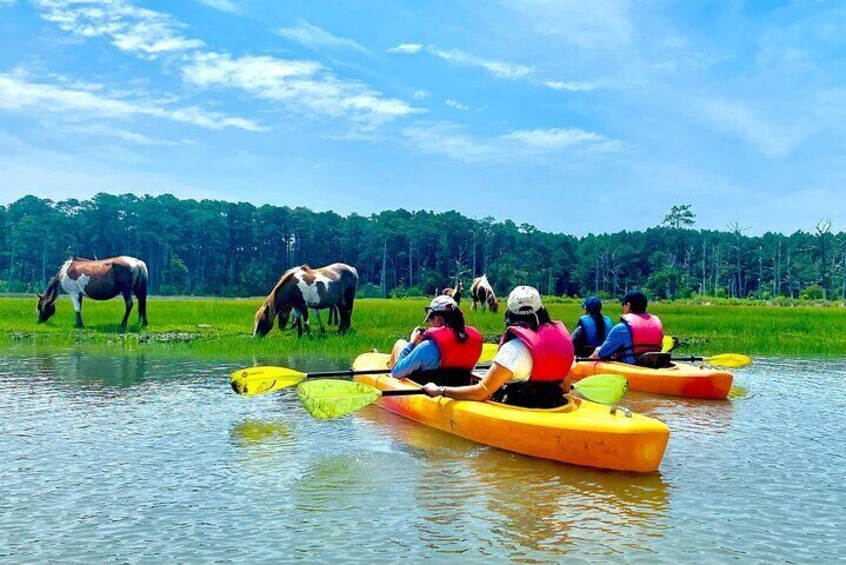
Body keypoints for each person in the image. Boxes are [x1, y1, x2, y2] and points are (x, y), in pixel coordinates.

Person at [421, 286, 574, 408]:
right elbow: (566, 388)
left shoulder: (513, 349)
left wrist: (440, 390)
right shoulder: (563, 343)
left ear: (509, 314)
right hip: (555, 405)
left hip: (520, 408)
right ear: (541, 310)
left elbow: (481, 393)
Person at [388, 295, 483, 386]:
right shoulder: (470, 343)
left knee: (400, 343)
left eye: (430, 320)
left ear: (438, 319)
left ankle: (388, 379)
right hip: (457, 389)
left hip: (428, 392)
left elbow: (396, 372)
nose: (430, 324)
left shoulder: (426, 347)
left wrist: (412, 344)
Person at [590, 290, 663, 365]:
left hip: (633, 367)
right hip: (655, 365)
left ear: (628, 305)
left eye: (623, 305)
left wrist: (597, 351)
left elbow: (602, 354)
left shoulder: (621, 328)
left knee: (597, 351)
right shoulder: (657, 324)